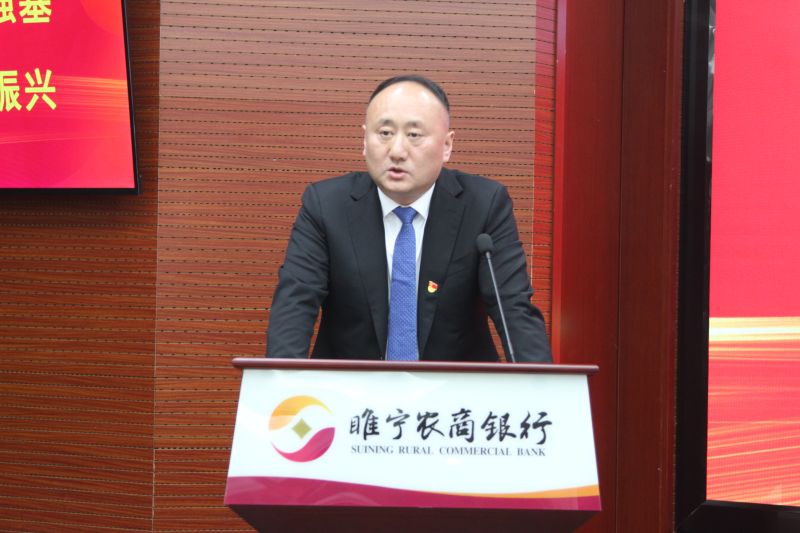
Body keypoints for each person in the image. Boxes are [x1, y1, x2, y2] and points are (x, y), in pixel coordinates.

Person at [266, 75, 551, 363]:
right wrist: (280, 382)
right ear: (364, 140)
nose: (397, 151)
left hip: (456, 387)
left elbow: (513, 308)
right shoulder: (326, 205)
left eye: (414, 135)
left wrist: (540, 384)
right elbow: (295, 303)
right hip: (352, 386)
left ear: (447, 145)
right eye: (385, 133)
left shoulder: (484, 205)